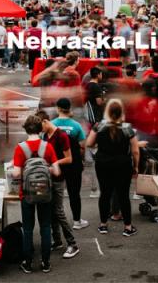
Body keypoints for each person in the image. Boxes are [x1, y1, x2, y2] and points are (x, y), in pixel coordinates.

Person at [13, 115, 60, 274]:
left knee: (28, 228)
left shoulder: (20, 148)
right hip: (44, 192)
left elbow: (16, 174)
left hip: (26, 193)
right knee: (45, 227)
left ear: (26, 128)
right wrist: (47, 169)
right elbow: (57, 171)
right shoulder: (47, 146)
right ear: (40, 129)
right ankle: (46, 262)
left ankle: (27, 262)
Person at [86, 99, 139, 237]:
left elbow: (89, 143)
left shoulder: (99, 126)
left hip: (103, 163)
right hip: (123, 164)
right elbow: (135, 151)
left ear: (107, 111)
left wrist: (99, 149)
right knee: (123, 195)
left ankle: (103, 225)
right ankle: (127, 227)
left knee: (105, 193)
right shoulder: (127, 128)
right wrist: (136, 166)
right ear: (121, 112)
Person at [37, 110, 79, 259]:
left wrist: (52, 165)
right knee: (51, 210)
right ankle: (58, 241)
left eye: (39, 126)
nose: (38, 130)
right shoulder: (44, 135)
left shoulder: (61, 136)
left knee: (59, 211)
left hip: (58, 178)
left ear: (45, 121)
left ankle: (73, 244)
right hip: (48, 178)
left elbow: (69, 159)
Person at [52, 98, 89, 230]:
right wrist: (82, 160)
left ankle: (56, 222)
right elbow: (83, 146)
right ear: (69, 108)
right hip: (73, 163)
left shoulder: (52, 125)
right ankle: (77, 221)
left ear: (58, 108)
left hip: (57, 164)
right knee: (74, 193)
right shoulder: (76, 125)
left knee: (56, 194)